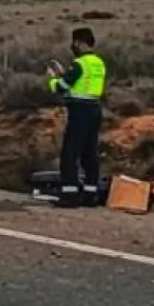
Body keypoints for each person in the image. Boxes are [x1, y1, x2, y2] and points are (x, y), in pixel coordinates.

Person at [47, 26, 107, 208]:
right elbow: (81, 83)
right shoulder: (98, 63)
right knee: (89, 153)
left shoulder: (80, 64)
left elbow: (61, 87)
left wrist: (52, 79)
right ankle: (90, 194)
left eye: (74, 42)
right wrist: (64, 73)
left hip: (80, 111)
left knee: (70, 154)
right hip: (95, 109)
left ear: (80, 43)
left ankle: (69, 194)